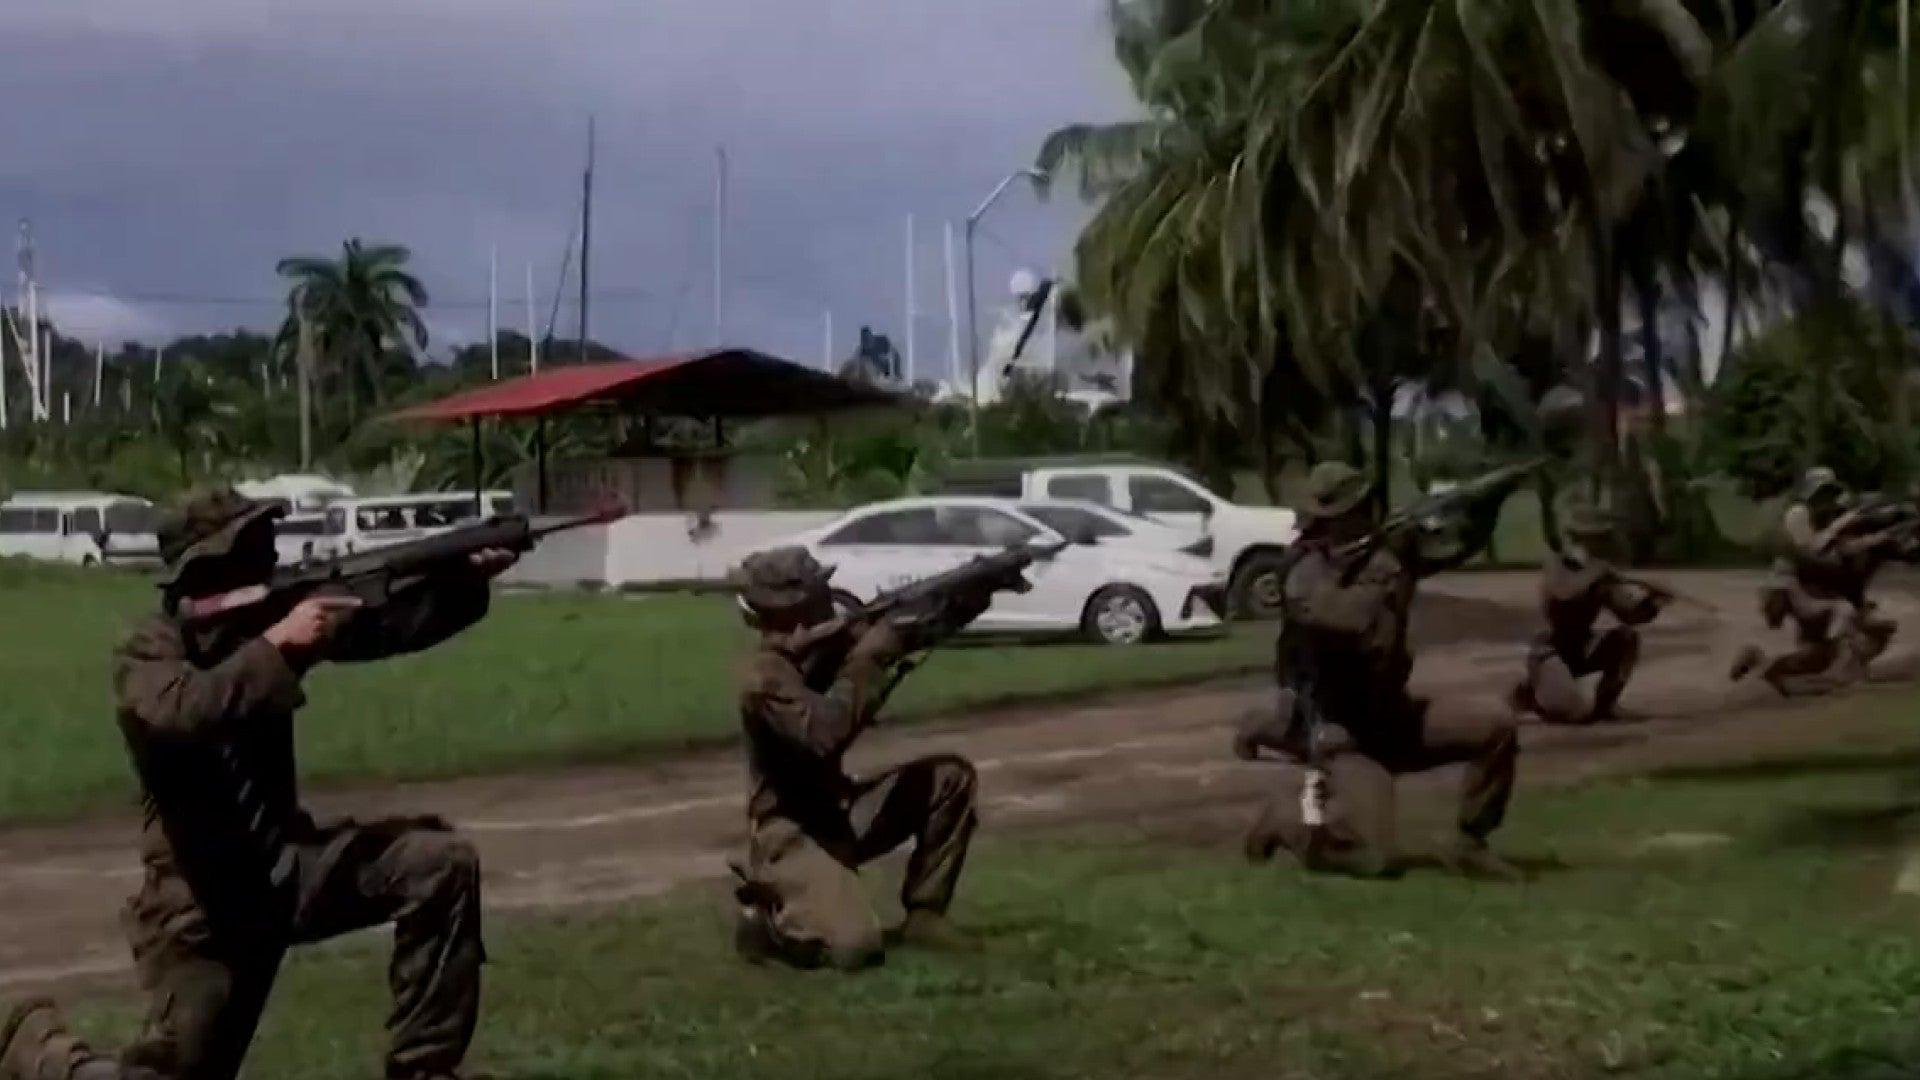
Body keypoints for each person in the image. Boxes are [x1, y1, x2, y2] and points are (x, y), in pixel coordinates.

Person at [2, 486, 518, 1080]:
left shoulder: (265, 619)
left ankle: (424, 1068)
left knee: (439, 863)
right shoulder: (150, 650)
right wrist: (280, 647)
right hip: (202, 905)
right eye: (252, 546)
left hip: (288, 869)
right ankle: (41, 1055)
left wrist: (461, 583)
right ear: (209, 565)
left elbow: (382, 627)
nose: (271, 555)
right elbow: (184, 710)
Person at [1236, 461, 1526, 881]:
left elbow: (1455, 545)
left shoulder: (1388, 552)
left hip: (1395, 716)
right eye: (1336, 518)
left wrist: (1487, 503)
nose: (1348, 524)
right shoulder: (1304, 574)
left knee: (1496, 727)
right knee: (1375, 858)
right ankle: (1286, 824)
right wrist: (1387, 563)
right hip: (1346, 735)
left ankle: (1471, 843)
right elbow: (1353, 618)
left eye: (1356, 512)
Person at [728, 546, 987, 970]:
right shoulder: (765, 678)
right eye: (817, 593)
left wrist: (968, 600)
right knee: (855, 948)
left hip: (839, 811)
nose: (827, 598)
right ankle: (767, 924)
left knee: (948, 778)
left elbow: (914, 634)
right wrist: (872, 658)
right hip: (790, 832)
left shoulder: (824, 647)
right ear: (791, 609)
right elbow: (824, 734)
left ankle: (925, 914)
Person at [1731, 467, 1899, 694]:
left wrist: (1877, 539)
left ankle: (1763, 664)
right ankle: (1846, 674)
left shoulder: (1822, 516)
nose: (1828, 498)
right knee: (1844, 613)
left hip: (1808, 588)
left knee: (1816, 656)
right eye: (1823, 492)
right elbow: (1811, 550)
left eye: (1830, 493)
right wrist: (1841, 525)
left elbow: (1842, 549)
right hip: (1787, 587)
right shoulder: (1798, 513)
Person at [1509, 501, 1670, 724]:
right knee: (1570, 714)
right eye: (1598, 537)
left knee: (1626, 638)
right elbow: (1564, 592)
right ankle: (1533, 692)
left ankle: (1606, 705)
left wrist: (1651, 602)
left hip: (1582, 646)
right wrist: (1599, 570)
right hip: (1551, 649)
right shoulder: (1558, 563)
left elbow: (1629, 617)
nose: (1604, 543)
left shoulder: (1598, 575)